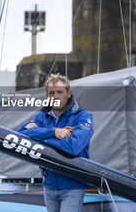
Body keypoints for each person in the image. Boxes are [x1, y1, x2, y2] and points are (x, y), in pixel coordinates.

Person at [18, 73, 94, 212]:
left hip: (73, 186)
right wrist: (54, 132)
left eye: (60, 92)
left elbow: (73, 147)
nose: (55, 96)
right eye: (51, 93)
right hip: (49, 185)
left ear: (69, 94)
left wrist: (40, 136)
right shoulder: (42, 116)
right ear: (47, 96)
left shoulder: (83, 117)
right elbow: (21, 135)